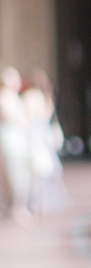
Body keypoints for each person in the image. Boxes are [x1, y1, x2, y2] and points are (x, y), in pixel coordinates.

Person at [22, 71, 64, 216]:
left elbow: (27, 117)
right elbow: (47, 116)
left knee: (34, 171)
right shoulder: (45, 98)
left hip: (35, 135)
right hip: (43, 134)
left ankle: (34, 204)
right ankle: (43, 204)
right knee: (46, 170)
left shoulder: (29, 96)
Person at [0, 66, 30, 221]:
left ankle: (17, 206)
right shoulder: (4, 97)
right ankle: (15, 207)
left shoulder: (15, 97)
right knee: (14, 175)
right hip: (10, 141)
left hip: (18, 140)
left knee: (20, 174)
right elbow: (14, 118)